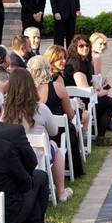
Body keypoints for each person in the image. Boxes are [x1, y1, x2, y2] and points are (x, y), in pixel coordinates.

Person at [0, 87, 54, 223]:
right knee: (38, 179)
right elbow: (31, 163)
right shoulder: (13, 131)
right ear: (1, 108)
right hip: (7, 195)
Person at [21, 61, 73, 202]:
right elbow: (54, 131)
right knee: (55, 147)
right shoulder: (41, 108)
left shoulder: (8, 110)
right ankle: (61, 191)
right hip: (40, 152)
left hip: (19, 152)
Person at [39, 46, 85, 177]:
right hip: (57, 130)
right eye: (59, 59)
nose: (63, 61)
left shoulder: (29, 87)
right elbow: (69, 114)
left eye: (64, 58)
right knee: (80, 116)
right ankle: (79, 155)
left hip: (41, 130)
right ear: (51, 60)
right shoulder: (57, 81)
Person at [65, 34, 112, 143]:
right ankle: (100, 137)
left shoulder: (85, 61)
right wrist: (103, 92)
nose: (85, 48)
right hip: (79, 101)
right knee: (109, 102)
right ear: (75, 47)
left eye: (87, 46)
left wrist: (100, 85)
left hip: (84, 97)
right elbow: (84, 90)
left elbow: (90, 83)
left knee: (106, 100)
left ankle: (98, 130)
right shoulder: (76, 64)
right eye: (81, 46)